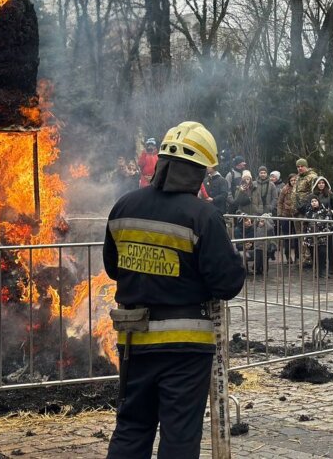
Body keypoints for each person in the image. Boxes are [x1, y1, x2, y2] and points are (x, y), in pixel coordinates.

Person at [103, 121, 245, 459]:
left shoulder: (124, 206)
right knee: (179, 438)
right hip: (185, 349)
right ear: (197, 171)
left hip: (134, 343)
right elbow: (227, 284)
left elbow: (113, 268)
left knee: (132, 428)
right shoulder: (202, 216)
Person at [277, 173, 298, 263]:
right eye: (292, 180)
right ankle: (288, 255)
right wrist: (280, 214)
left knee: (297, 236)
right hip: (286, 215)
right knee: (287, 237)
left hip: (296, 215)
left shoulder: (299, 189)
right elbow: (280, 202)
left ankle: (297, 256)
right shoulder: (285, 189)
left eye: (295, 180)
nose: (293, 182)